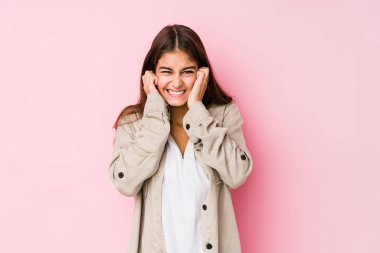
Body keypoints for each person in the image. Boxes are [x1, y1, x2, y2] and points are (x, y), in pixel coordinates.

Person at [108, 24, 253, 253]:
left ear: (201, 73)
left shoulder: (222, 116)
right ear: (151, 75)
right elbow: (125, 183)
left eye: (187, 71)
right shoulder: (135, 123)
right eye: (166, 71)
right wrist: (154, 115)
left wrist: (197, 110)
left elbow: (237, 174)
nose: (176, 83)